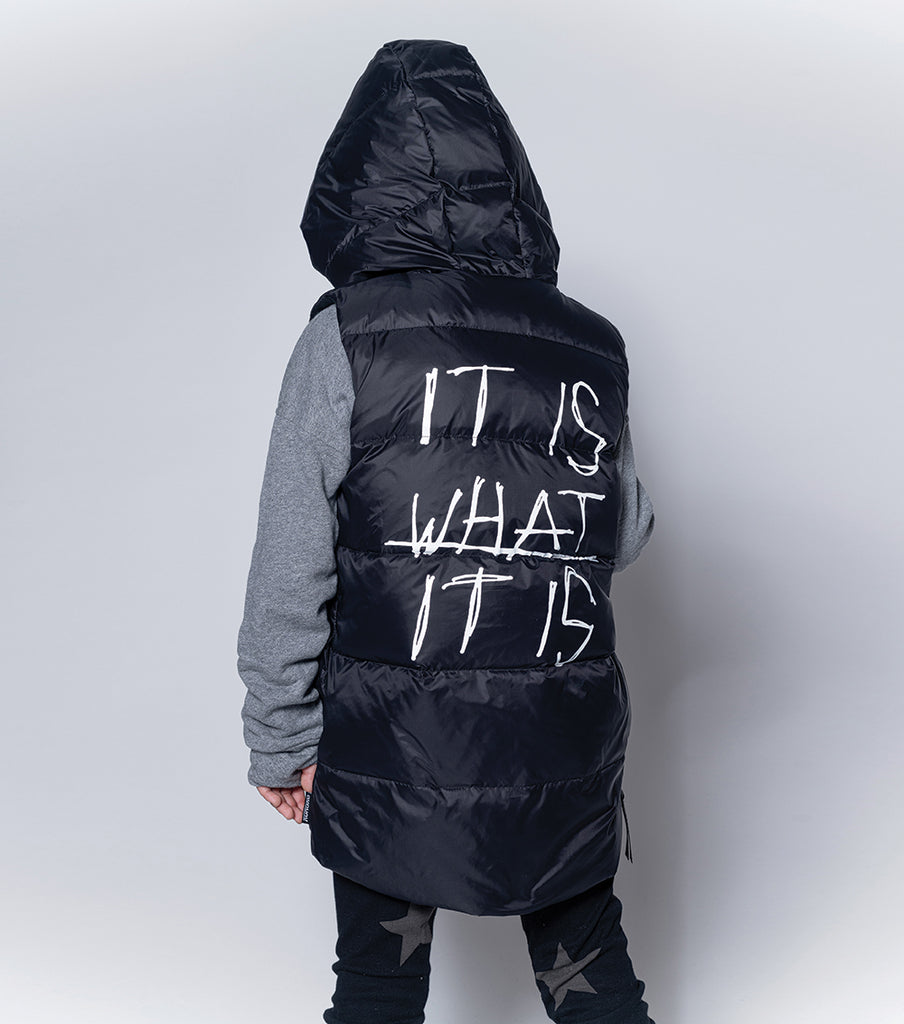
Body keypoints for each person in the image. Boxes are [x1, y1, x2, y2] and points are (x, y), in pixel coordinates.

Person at [237, 38, 656, 1024]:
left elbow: (291, 561)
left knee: (378, 985)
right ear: (510, 182)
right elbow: (625, 533)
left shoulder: (345, 338)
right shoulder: (587, 345)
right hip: (557, 739)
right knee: (591, 980)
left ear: (352, 186)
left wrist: (280, 737)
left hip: (393, 742)